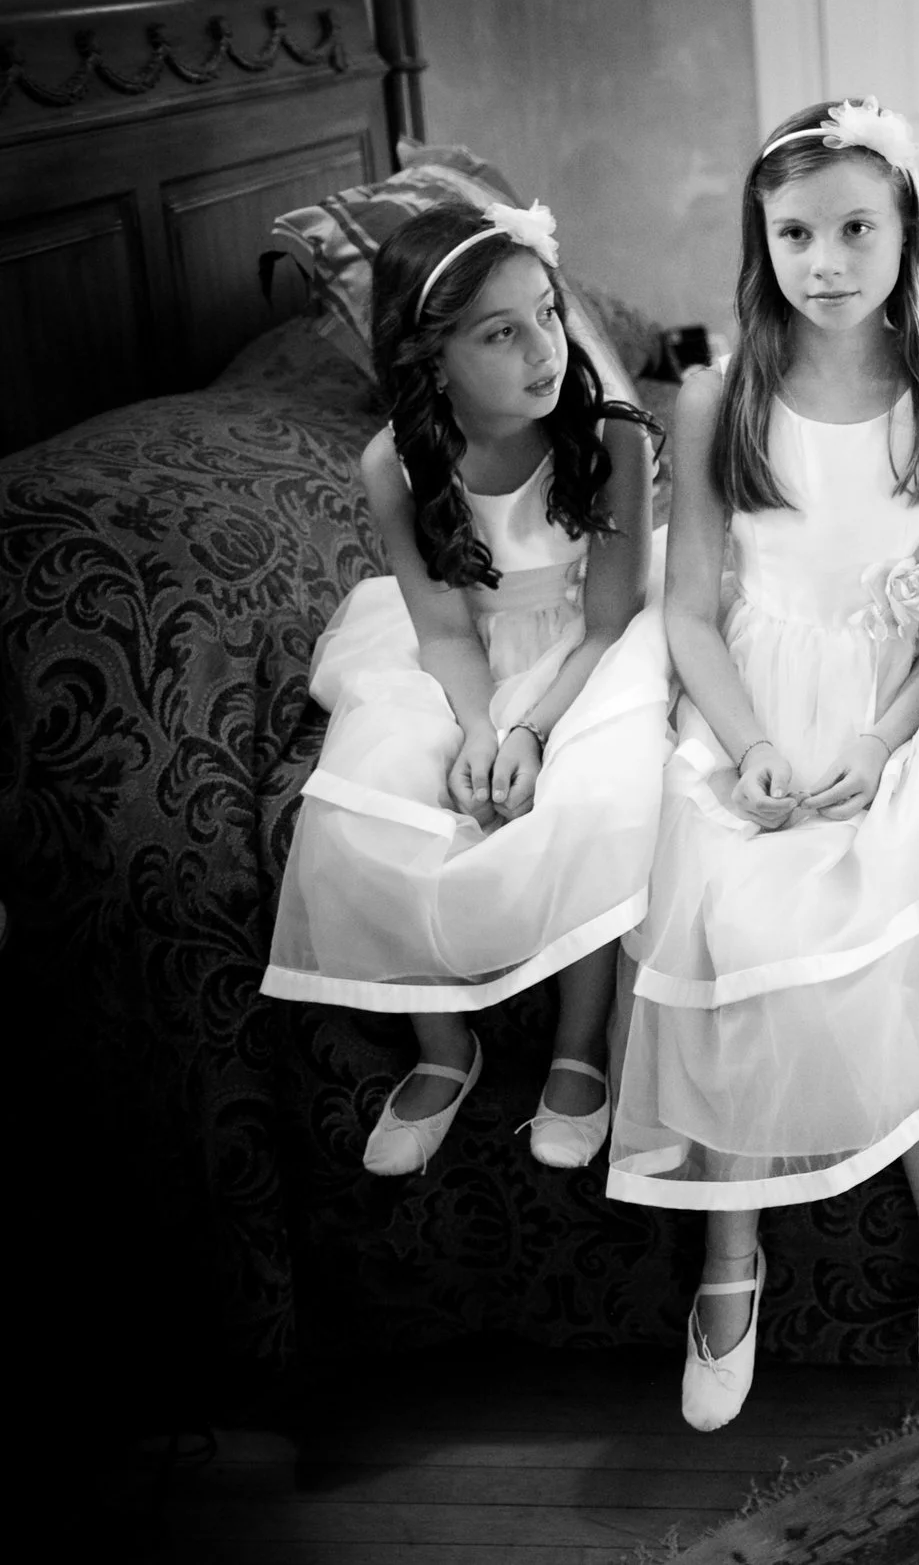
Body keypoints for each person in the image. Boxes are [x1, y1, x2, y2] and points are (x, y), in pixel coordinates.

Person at [604, 102, 919, 1434]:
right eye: (796, 234)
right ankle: (730, 1249)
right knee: (719, 911)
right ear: (761, 243)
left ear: (906, 233)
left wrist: (882, 743)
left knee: (915, 916)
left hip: (895, 713)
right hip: (751, 708)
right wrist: (753, 744)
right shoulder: (722, 396)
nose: (826, 260)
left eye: (856, 229)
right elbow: (690, 609)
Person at [263, 199, 667, 1179]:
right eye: (500, 333)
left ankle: (579, 1043)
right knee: (363, 804)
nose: (544, 348)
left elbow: (609, 620)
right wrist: (481, 728)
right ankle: (444, 1047)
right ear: (431, 359)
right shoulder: (395, 462)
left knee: (599, 798)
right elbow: (443, 629)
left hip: (589, 647)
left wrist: (531, 731)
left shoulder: (611, 438)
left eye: (546, 314)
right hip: (462, 658)